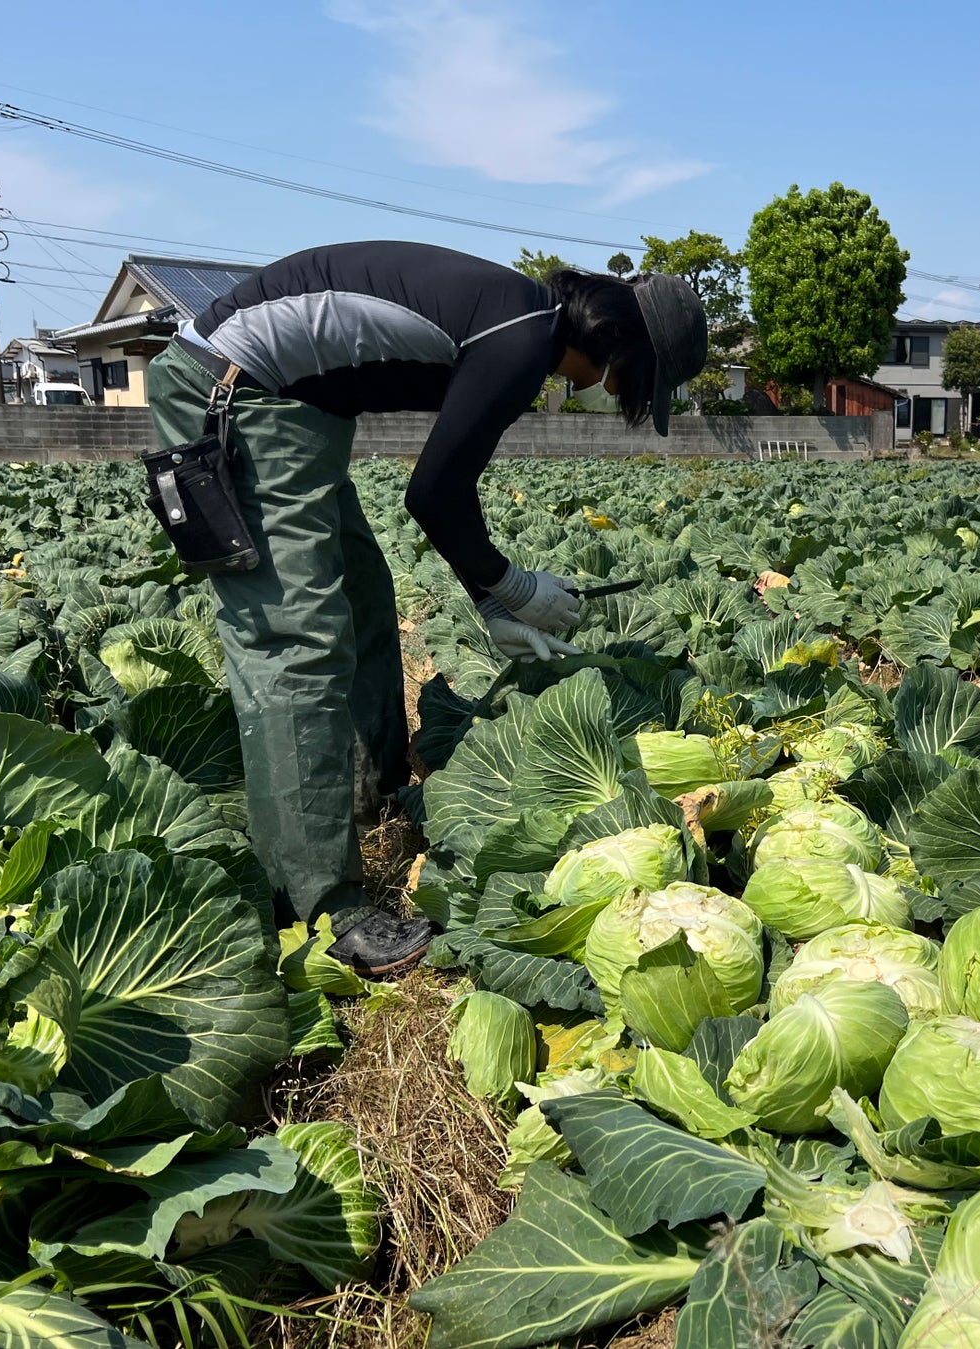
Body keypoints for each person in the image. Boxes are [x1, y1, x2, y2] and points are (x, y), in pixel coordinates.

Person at [146, 242, 708, 975]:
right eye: (631, 382)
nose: (611, 393)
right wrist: (510, 588)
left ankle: (365, 793)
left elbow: (441, 486)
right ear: (614, 345)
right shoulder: (521, 339)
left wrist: (490, 598)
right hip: (237, 393)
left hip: (292, 404)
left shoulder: (521, 321)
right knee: (297, 642)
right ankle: (322, 903)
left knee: (363, 598)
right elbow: (434, 492)